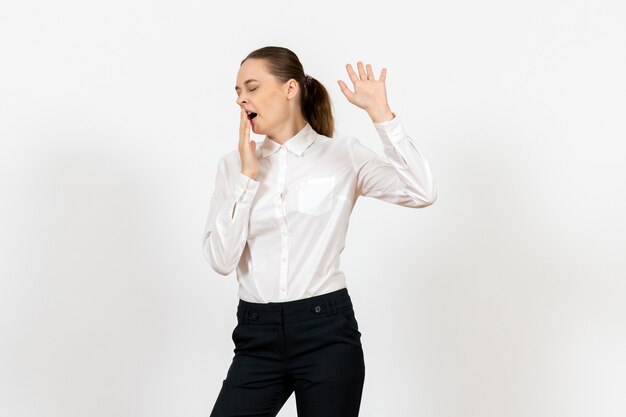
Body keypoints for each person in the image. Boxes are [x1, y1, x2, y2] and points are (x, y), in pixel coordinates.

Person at [201, 45, 437, 417]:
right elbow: (220, 260)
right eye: (237, 92)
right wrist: (247, 179)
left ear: (290, 88)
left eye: (251, 87)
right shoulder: (233, 166)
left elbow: (421, 191)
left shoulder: (343, 155)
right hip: (255, 335)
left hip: (325, 332)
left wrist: (381, 115)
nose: (241, 99)